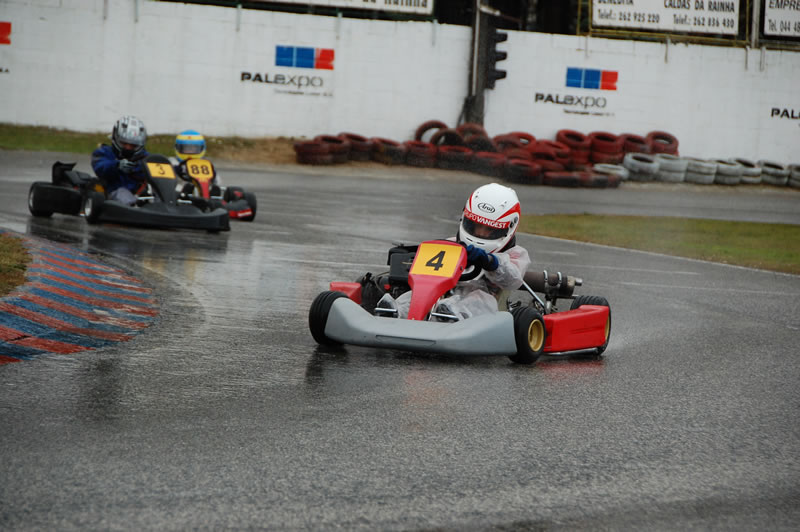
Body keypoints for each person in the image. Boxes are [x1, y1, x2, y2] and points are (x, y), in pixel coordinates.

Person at [378, 182, 531, 321]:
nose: (481, 234)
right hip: (443, 295)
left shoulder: (516, 254)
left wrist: (490, 262)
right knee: (419, 291)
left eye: (490, 230)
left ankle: (452, 314)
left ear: (509, 227)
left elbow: (513, 280)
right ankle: (397, 311)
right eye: (475, 226)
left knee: (481, 298)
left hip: (486, 308)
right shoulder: (451, 243)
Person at [91, 116, 149, 205]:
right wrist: (117, 165)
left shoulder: (145, 157)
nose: (128, 148)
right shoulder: (105, 152)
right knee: (123, 193)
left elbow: (159, 169)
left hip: (140, 193)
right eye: (124, 143)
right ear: (116, 139)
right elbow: (100, 167)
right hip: (113, 191)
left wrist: (175, 169)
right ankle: (132, 209)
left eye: (133, 145)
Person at [169, 129, 222, 196]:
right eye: (187, 149)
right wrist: (178, 171)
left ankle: (209, 198)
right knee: (179, 188)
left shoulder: (205, 163)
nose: (190, 152)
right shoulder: (173, 162)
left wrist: (212, 177)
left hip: (201, 189)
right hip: (180, 190)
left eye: (193, 149)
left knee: (213, 188)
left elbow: (218, 181)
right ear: (178, 148)